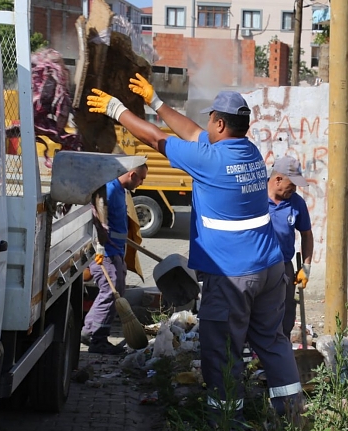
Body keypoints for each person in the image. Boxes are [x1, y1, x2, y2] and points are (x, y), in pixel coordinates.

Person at [86, 77, 302, 421]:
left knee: (223, 348)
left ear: (219, 123)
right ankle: (292, 415)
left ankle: (226, 421)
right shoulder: (250, 152)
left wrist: (117, 110)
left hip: (233, 276)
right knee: (272, 342)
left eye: (209, 118)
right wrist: (156, 102)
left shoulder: (210, 160)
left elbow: (156, 139)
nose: (204, 125)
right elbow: (190, 133)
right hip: (271, 268)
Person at [82, 164, 148, 354]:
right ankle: (95, 337)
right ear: (132, 174)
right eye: (141, 178)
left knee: (116, 291)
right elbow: (95, 217)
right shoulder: (109, 190)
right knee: (111, 293)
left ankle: (92, 332)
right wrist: (100, 248)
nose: (141, 183)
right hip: (106, 253)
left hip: (116, 251)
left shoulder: (121, 191)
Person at [267, 156, 314, 339]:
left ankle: (282, 349)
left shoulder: (296, 202)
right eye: (292, 184)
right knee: (259, 312)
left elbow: (307, 234)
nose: (294, 189)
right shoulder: (255, 196)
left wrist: (306, 267)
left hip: (284, 266)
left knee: (286, 312)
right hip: (258, 266)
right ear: (278, 179)